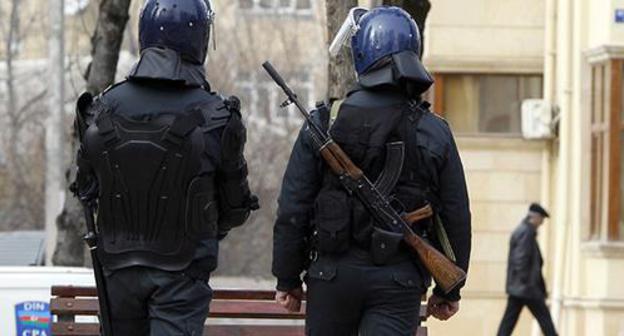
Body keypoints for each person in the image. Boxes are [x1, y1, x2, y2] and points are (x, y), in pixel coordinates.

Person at [271, 6, 471, 335]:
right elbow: (455, 216)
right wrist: (449, 291)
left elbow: (294, 207)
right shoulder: (434, 130)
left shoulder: (324, 122)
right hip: (399, 280)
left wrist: (287, 278)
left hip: (330, 278)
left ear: (361, 52)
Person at [71, 0, 258, 335]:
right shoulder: (217, 116)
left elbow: (86, 189)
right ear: (199, 37)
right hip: (182, 272)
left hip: (118, 267)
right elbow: (235, 207)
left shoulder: (102, 109)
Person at [497, 203, 558, 336]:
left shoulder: (524, 230)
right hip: (527, 288)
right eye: (541, 219)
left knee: (509, 322)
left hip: (520, 288)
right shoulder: (526, 232)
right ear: (535, 218)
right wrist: (529, 283)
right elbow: (520, 260)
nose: (541, 223)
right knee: (545, 319)